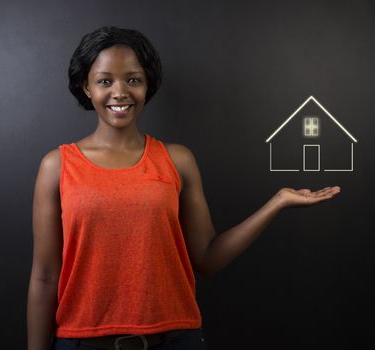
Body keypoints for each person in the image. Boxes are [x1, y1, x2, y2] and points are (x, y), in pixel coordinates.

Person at [27, 26, 340, 350]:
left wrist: (277, 203)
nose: (119, 92)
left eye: (133, 79)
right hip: (81, 343)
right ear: (86, 87)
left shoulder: (177, 160)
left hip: (175, 342)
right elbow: (45, 277)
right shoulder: (58, 166)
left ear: (147, 85)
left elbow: (207, 259)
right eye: (105, 81)